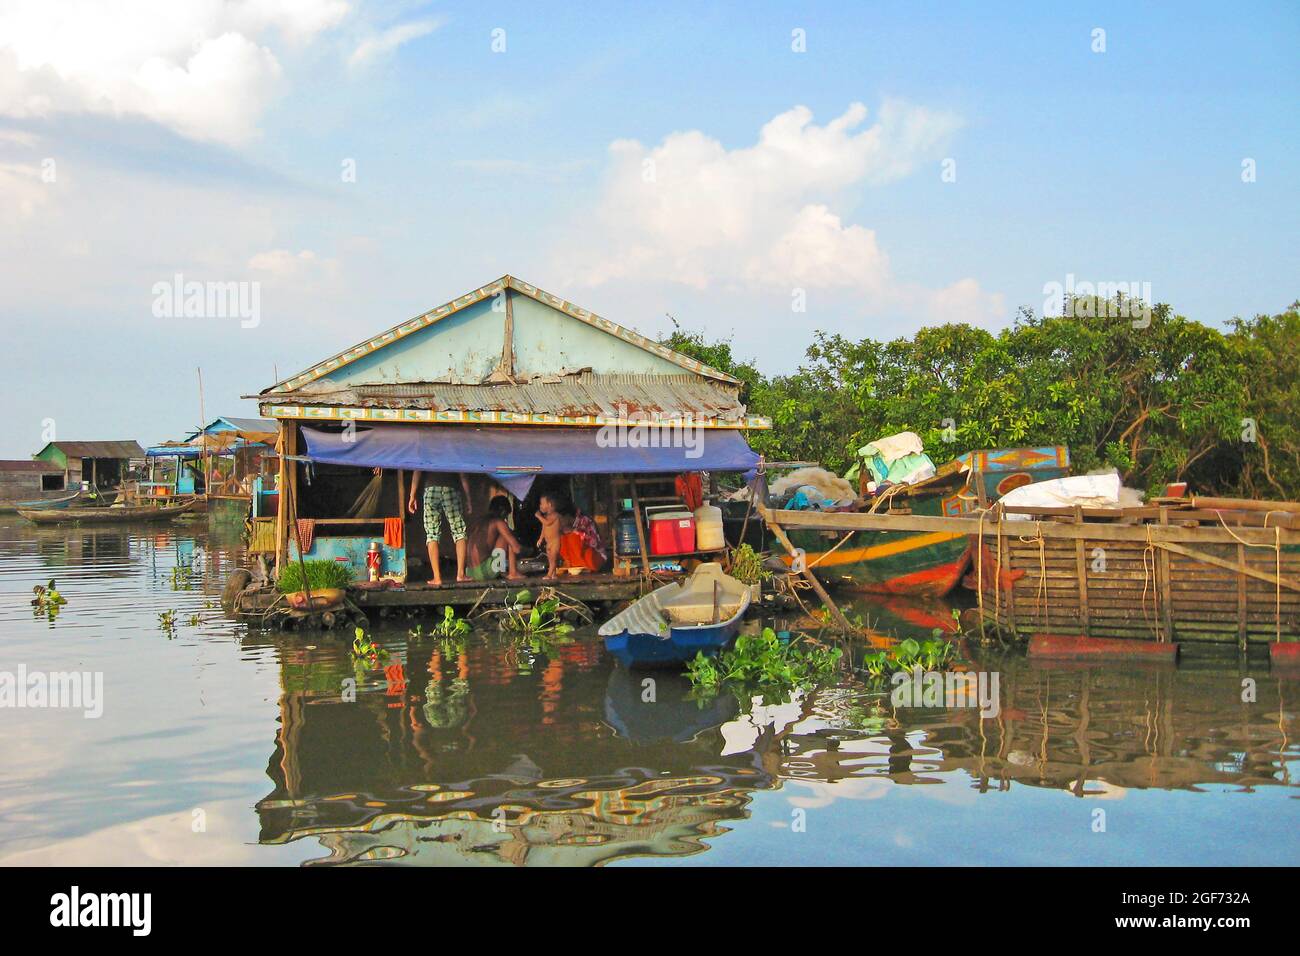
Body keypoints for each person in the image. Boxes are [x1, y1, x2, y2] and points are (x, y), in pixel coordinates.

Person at [408, 470, 472, 585]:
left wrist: (412, 495)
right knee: (459, 531)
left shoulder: (425, 450)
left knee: (432, 533)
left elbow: (417, 470)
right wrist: (468, 498)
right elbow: (463, 474)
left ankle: (437, 577)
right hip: (451, 489)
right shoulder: (454, 451)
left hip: (431, 490)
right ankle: (460, 574)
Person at [536, 492, 606, 577]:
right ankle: (574, 564)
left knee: (572, 537)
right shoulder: (562, 526)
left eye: (560, 519)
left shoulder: (584, 520)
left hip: (595, 556)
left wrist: (573, 531)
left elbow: (593, 542)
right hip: (578, 561)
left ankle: (580, 564)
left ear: (567, 516)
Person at [467, 496, 524, 581]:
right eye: (506, 516)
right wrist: (527, 550)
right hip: (484, 572)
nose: (505, 519)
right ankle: (513, 573)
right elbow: (516, 549)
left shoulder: (478, 521)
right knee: (508, 534)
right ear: (503, 511)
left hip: (470, 572)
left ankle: (502, 571)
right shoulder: (498, 522)